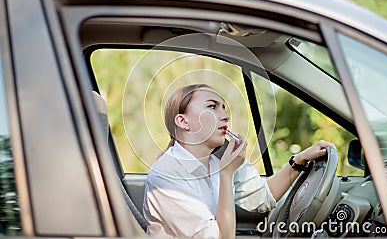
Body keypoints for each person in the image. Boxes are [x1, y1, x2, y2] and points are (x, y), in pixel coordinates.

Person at [143, 84, 335, 238]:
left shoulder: (219, 157)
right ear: (183, 122)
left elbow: (264, 196)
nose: (225, 116)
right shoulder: (166, 175)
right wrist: (227, 173)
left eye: (224, 108)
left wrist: (298, 161)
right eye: (212, 107)